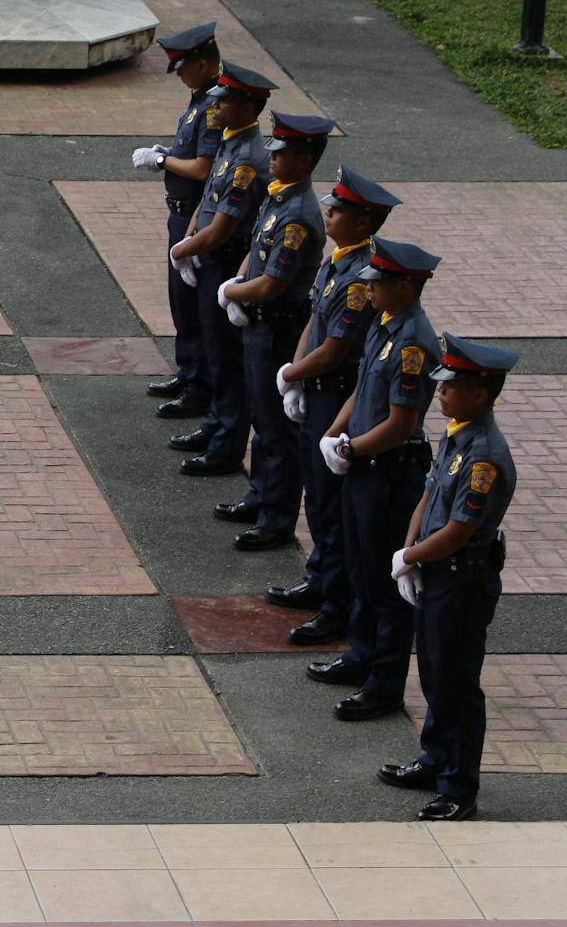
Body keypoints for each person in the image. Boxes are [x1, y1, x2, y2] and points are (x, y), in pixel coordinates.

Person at [378, 334, 519, 822]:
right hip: (439, 575)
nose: (439, 393)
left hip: (462, 582)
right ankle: (435, 758)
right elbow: (429, 495)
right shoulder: (457, 435)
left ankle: (459, 786)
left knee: (456, 683)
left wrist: (412, 554)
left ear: (479, 394)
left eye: (449, 387)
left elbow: (459, 530)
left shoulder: (483, 457)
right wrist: (411, 552)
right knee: (435, 673)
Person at [306, 238, 443, 721]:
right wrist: (333, 433)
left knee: (385, 589)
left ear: (406, 284)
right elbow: (363, 389)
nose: (372, 290)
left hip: (388, 472)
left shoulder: (412, 342)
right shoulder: (384, 327)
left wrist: (351, 447)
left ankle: (384, 684)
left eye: (380, 283)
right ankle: (361, 655)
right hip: (364, 466)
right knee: (361, 572)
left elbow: (401, 423)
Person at [271, 168, 401, 644]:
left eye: (340, 210)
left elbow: (338, 346)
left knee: (330, 505)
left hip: (335, 391)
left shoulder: (360, 278)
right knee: (316, 495)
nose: (328, 213)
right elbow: (314, 324)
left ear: (364, 219)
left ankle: (336, 605)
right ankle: (321, 579)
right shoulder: (338, 261)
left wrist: (294, 373)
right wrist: (297, 369)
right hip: (318, 387)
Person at [215, 111, 331, 551]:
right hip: (259, 324)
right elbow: (255, 252)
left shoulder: (299, 214)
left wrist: (237, 293)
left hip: (277, 326)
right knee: (263, 419)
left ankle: (276, 519)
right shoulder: (279, 196)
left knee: (278, 430)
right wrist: (239, 284)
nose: (273, 159)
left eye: (282, 154)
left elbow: (276, 282)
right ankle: (260, 496)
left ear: (303, 159)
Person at [169, 63, 276, 488]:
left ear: (248, 106)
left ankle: (228, 443)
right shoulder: (231, 145)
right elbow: (208, 203)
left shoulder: (249, 158)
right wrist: (192, 232)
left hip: (225, 260)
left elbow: (225, 226)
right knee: (214, 349)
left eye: (225, 102)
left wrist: (184, 248)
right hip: (209, 256)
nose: (215, 108)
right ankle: (217, 423)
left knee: (227, 360)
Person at [132, 22, 223, 424]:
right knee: (181, 303)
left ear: (203, 64)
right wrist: (168, 152)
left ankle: (199, 387)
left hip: (194, 217)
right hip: (179, 213)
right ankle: (187, 373)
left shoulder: (215, 108)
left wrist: (164, 161)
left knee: (196, 305)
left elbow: (204, 168)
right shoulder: (199, 99)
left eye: (184, 67)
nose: (180, 75)